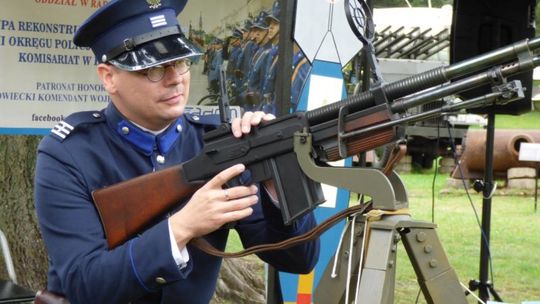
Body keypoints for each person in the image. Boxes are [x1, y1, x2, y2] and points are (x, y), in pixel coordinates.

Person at [33, 1, 320, 303]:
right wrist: (181, 227)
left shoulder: (215, 142)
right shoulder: (68, 153)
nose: (176, 79)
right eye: (154, 68)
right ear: (109, 77)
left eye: (180, 61)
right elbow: (83, 284)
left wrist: (278, 180)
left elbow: (299, 261)